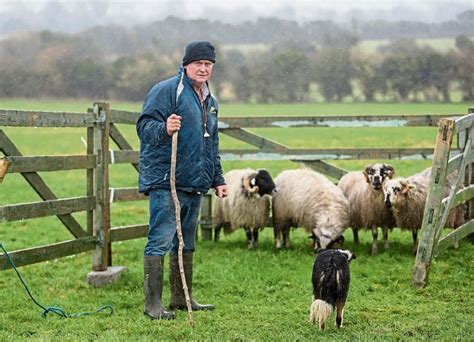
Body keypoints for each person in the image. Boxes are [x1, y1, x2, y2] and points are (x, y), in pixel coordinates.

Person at [136, 41, 228, 320]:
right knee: (161, 240)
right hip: (167, 181)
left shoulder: (209, 101)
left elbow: (211, 145)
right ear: (186, 64)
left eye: (208, 64)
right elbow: (143, 127)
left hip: (194, 183)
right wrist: (164, 128)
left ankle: (180, 297)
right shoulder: (167, 91)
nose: (203, 68)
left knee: (186, 242)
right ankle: (152, 305)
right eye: (198, 63)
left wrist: (217, 179)